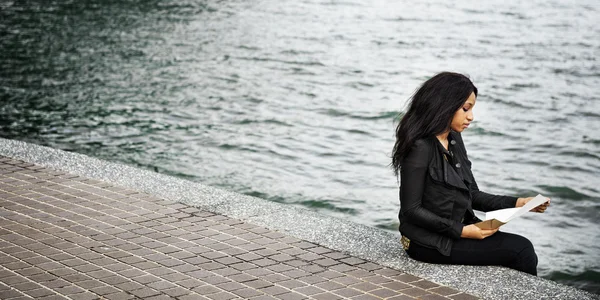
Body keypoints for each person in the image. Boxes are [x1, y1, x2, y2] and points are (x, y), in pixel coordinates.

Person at [391, 72, 550, 275]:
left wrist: (519, 203)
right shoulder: (420, 147)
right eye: (466, 108)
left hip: (455, 231)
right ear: (445, 105)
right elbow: (411, 210)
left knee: (520, 248)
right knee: (521, 250)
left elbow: (472, 194)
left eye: (472, 109)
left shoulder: (454, 139)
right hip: (426, 242)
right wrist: (462, 231)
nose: (471, 117)